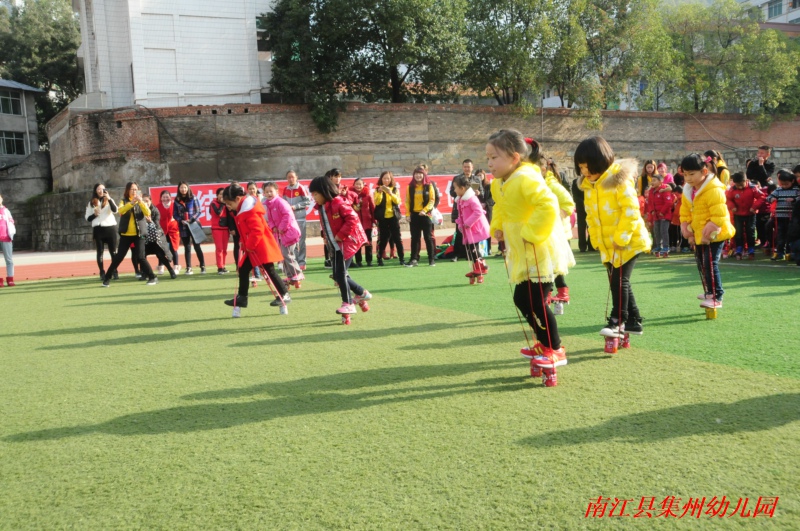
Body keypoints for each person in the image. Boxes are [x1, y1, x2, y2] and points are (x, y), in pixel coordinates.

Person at [489, 129, 572, 372]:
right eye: (488, 158)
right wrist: (498, 227)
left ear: (514, 158)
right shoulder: (499, 183)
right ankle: (544, 344)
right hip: (521, 250)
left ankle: (555, 349)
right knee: (521, 299)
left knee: (536, 301)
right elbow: (500, 208)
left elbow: (548, 204)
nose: (490, 163)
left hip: (539, 249)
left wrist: (530, 233)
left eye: (494, 157)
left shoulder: (526, 177)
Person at [575, 136, 651, 337]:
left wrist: (621, 238)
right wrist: (595, 239)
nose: (584, 171)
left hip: (629, 240)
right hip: (609, 243)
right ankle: (634, 321)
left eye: (586, 166)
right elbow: (591, 216)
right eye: (581, 167)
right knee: (617, 280)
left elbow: (631, 211)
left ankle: (618, 320)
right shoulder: (589, 186)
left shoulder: (619, 180)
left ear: (599, 161)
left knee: (619, 281)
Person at [221, 183, 290, 313]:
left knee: (269, 270)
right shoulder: (242, 209)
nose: (228, 206)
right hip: (253, 246)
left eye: (229, 203)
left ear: (237, 199)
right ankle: (242, 298)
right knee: (244, 269)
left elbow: (257, 230)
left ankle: (284, 294)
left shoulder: (249, 210)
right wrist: (244, 242)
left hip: (261, 246)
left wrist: (249, 245)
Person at [308, 176, 371, 317]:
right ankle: (361, 293)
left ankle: (348, 304)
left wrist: (341, 235)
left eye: (316, 194)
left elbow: (353, 219)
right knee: (337, 275)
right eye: (313, 195)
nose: (314, 198)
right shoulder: (322, 206)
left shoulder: (338, 202)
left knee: (341, 274)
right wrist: (326, 238)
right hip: (335, 245)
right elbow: (327, 225)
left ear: (324, 191)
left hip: (347, 243)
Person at [679, 154, 735, 309]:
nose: (688, 178)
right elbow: (685, 211)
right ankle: (710, 292)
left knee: (710, 263)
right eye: (685, 174)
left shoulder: (713, 189)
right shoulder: (688, 190)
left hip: (715, 234)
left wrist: (710, 231)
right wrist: (686, 226)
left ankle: (717, 296)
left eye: (692, 174)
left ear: (704, 172)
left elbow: (719, 214)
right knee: (701, 263)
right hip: (699, 232)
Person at [537, 147, 575, 302]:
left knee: (554, 264)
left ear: (543, 169)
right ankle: (556, 292)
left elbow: (569, 204)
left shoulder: (552, 185)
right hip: (549, 232)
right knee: (550, 264)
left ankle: (557, 292)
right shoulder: (539, 184)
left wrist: (554, 217)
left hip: (559, 233)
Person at [101, 182, 157, 286]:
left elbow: (148, 213)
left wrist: (140, 202)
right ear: (128, 190)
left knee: (141, 257)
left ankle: (152, 277)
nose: (134, 191)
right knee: (119, 257)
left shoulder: (141, 202)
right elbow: (121, 211)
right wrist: (131, 203)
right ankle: (107, 278)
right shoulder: (124, 201)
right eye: (132, 189)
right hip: (126, 235)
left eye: (136, 189)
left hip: (139, 234)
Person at [263, 181, 304, 286]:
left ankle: (297, 273)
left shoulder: (280, 202)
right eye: (266, 192)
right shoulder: (268, 204)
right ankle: (290, 276)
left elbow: (287, 215)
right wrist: (273, 227)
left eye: (271, 191)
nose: (269, 194)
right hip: (281, 234)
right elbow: (270, 219)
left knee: (288, 254)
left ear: (276, 191)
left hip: (289, 232)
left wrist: (281, 227)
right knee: (283, 255)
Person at [453, 174, 490, 282]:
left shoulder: (471, 199)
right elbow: (460, 214)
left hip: (475, 228)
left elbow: (478, 211)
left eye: (455, 188)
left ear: (462, 188)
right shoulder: (460, 200)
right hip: (467, 229)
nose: (454, 190)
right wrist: (460, 224)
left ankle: (482, 267)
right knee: (470, 249)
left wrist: (468, 223)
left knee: (474, 248)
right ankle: (477, 270)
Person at [85, 183, 119, 280]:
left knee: (113, 252)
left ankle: (114, 271)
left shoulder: (109, 200)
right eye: (98, 189)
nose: (100, 191)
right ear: (95, 191)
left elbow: (115, 210)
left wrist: (109, 198)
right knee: (100, 252)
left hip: (110, 228)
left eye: (102, 189)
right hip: (98, 229)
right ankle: (102, 272)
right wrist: (94, 215)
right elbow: (87, 218)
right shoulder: (91, 203)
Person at [726, 172, 764, 259]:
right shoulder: (732, 190)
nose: (739, 187)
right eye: (737, 185)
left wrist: (754, 207)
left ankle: (751, 249)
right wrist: (732, 206)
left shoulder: (753, 188)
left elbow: (761, 197)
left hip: (750, 214)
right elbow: (728, 199)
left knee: (750, 231)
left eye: (741, 184)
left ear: (746, 181)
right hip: (738, 214)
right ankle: (739, 248)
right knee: (738, 232)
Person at [764, 169, 800, 261]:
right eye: (782, 184)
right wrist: (771, 199)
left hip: (791, 218)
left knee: (790, 235)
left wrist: (794, 200)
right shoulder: (778, 190)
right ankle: (780, 252)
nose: (784, 186)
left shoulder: (796, 190)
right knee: (780, 235)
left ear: (792, 181)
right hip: (780, 217)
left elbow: (799, 198)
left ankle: (789, 252)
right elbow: (769, 197)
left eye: (786, 184)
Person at [405, 166, 437, 267]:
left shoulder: (429, 186)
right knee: (415, 238)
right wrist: (407, 214)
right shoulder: (410, 187)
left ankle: (431, 259)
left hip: (426, 215)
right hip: (414, 215)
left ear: (424, 175)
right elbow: (407, 201)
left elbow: (432, 200)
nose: (418, 176)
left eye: (420, 174)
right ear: (413, 175)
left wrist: (425, 210)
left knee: (428, 237)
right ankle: (413, 259)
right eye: (416, 174)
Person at [141, 194, 177, 279]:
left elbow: (157, 225)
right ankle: (144, 273)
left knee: (160, 255)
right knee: (141, 255)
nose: (145, 203)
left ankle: (171, 270)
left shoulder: (155, 210)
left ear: (150, 201)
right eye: (143, 201)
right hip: (145, 238)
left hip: (156, 237)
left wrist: (150, 221)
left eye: (147, 201)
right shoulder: (139, 211)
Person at [173, 182, 206, 275]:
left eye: (185, 187)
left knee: (197, 246)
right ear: (179, 189)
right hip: (183, 226)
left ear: (188, 188)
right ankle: (189, 267)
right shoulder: (176, 200)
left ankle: (202, 266)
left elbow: (198, 211)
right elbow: (175, 214)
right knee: (187, 247)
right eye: (181, 188)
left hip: (194, 224)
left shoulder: (193, 197)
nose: (183, 189)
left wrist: (191, 220)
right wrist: (181, 220)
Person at [374, 171, 406, 266]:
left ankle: (402, 258)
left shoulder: (395, 189)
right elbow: (377, 202)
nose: (386, 180)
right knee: (382, 238)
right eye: (384, 178)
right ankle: (379, 258)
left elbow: (397, 201)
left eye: (388, 178)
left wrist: (390, 193)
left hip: (393, 217)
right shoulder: (377, 190)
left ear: (391, 179)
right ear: (381, 179)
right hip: (382, 218)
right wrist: (380, 192)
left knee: (397, 238)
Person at [282, 170, 311, 270]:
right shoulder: (285, 189)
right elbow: (283, 203)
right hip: (289, 220)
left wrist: (295, 206)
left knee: (301, 241)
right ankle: (294, 261)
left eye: (292, 177)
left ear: (296, 177)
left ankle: (302, 262)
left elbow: (307, 201)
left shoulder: (301, 188)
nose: (291, 179)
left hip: (300, 218)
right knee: (292, 241)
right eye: (289, 177)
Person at [645, 173, 675, 258]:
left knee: (663, 231)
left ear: (660, 181)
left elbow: (668, 202)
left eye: (654, 180)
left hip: (664, 216)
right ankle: (658, 246)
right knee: (656, 231)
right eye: (652, 180)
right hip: (656, 215)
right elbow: (650, 202)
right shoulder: (651, 191)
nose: (652, 182)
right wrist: (652, 211)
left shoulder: (664, 189)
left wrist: (662, 212)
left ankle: (665, 247)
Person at [352, 177, 376, 267]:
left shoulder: (368, 195)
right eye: (356, 184)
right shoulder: (350, 195)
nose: (358, 186)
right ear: (353, 185)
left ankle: (369, 260)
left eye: (360, 184)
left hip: (367, 222)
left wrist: (374, 220)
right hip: (355, 223)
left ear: (363, 185)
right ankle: (358, 261)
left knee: (368, 242)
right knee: (357, 243)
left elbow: (373, 208)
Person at [156, 190, 180, 273]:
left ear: (170, 197)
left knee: (174, 249)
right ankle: (161, 266)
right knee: (161, 249)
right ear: (161, 198)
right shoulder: (157, 207)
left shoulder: (174, 205)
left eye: (167, 197)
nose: (165, 199)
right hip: (161, 231)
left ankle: (176, 266)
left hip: (173, 230)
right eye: (164, 197)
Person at [209, 187, 231, 274]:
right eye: (220, 194)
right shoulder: (213, 203)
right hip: (217, 229)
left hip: (225, 229)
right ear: (217, 195)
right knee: (219, 249)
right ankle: (220, 267)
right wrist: (222, 204)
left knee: (224, 249)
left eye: (223, 194)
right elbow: (218, 213)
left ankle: (223, 265)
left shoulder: (227, 203)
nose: (222, 196)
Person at [476, 169, 494, 254]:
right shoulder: (474, 186)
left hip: (487, 210)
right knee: (478, 229)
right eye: (477, 175)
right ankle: (479, 249)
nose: (479, 177)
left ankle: (488, 248)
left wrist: (485, 203)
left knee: (487, 229)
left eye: (481, 175)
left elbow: (492, 198)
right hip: (477, 211)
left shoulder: (489, 186)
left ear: (484, 176)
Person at [0, 192, 16, 287]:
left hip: (6, 238)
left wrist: (11, 234)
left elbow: (11, 223)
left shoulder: (6, 211)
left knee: (9, 259)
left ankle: (10, 279)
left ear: (1, 199)